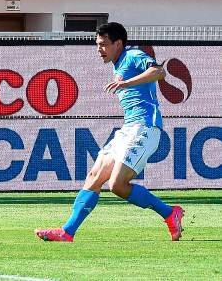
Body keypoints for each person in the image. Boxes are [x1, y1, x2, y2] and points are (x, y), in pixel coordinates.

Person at [35, 22, 184, 243]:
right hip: (128, 129)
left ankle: (169, 213)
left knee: (117, 185)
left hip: (145, 127)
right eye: (97, 45)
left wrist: (127, 83)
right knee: (95, 176)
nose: (99, 49)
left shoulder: (133, 55)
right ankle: (67, 232)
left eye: (103, 45)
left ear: (118, 43)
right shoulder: (117, 63)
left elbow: (159, 72)